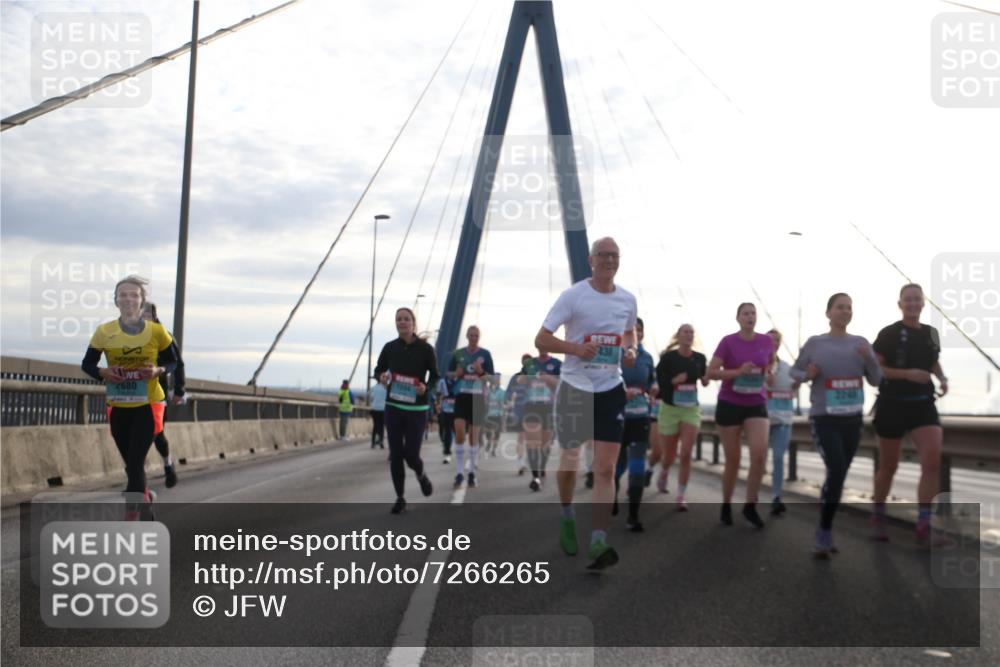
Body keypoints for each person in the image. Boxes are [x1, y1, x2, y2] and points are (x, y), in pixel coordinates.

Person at [535, 237, 637, 570]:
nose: (609, 260)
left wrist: (631, 349)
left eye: (614, 256)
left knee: (605, 468)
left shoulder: (627, 299)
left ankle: (598, 541)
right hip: (575, 387)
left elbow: (629, 332)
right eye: (603, 255)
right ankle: (567, 515)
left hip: (610, 387)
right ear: (591, 261)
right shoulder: (573, 296)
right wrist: (578, 349)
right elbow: (542, 339)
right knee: (570, 462)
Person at [791, 293, 882, 557]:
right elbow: (793, 372)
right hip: (824, 418)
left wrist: (870, 359)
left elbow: (876, 380)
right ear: (828, 312)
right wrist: (807, 375)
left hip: (852, 419)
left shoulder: (861, 343)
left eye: (849, 308)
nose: (845, 311)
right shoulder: (815, 343)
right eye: (840, 307)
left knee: (838, 474)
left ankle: (825, 524)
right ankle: (824, 530)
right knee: (838, 467)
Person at [82, 275, 176, 520]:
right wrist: (104, 372)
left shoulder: (157, 332)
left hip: (148, 404)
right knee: (130, 465)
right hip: (118, 405)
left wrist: (157, 370)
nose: (128, 299)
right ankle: (145, 500)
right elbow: (87, 364)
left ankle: (131, 519)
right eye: (122, 295)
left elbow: (173, 361)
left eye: (134, 294)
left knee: (135, 463)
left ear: (141, 301)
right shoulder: (105, 331)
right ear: (116, 301)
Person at [871, 284, 951, 547]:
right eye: (908, 300)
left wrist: (941, 378)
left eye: (917, 299)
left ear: (923, 303)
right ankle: (878, 516)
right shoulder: (888, 333)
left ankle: (924, 525)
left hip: (923, 404)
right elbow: (876, 370)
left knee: (932, 462)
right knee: (889, 466)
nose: (913, 303)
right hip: (892, 404)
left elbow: (932, 360)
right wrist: (906, 374)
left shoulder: (932, 333)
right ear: (900, 304)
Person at [707, 303, 775, 528]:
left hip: (756, 402)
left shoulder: (766, 341)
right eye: (746, 313)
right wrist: (737, 372)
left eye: (753, 313)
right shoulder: (728, 342)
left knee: (759, 454)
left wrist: (770, 374)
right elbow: (711, 372)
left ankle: (750, 506)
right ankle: (726, 504)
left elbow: (770, 364)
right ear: (737, 318)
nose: (750, 317)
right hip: (730, 403)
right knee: (733, 460)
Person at [373, 307, 438, 514]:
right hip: (393, 407)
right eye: (399, 319)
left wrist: (425, 387)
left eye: (406, 319)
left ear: (413, 323)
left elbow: (436, 377)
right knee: (396, 454)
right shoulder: (390, 347)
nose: (402, 322)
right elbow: (378, 370)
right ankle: (400, 497)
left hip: (417, 409)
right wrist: (381, 377)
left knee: (411, 454)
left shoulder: (426, 349)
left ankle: (421, 474)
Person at [655, 323, 709, 511]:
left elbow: (704, 379)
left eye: (692, 332)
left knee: (686, 453)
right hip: (670, 408)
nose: (689, 335)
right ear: (678, 336)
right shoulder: (668, 358)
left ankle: (680, 495)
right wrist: (673, 381)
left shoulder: (700, 358)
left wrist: (705, 380)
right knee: (669, 455)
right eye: (685, 332)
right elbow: (660, 383)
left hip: (690, 409)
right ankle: (664, 471)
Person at [614, 317, 656, 530]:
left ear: (642, 334)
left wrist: (654, 388)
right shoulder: (613, 356)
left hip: (640, 416)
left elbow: (651, 382)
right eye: (631, 330)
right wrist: (622, 393)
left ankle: (633, 515)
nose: (635, 334)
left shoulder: (647, 358)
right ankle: (611, 492)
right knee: (618, 464)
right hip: (617, 417)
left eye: (639, 330)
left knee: (638, 462)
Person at [140, 302, 186, 488]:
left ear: (153, 315)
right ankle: (136, 470)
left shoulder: (164, 336)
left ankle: (167, 464)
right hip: (136, 392)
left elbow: (178, 364)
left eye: (144, 315)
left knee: (156, 432)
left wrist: (179, 390)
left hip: (159, 392)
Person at [448, 325, 495, 488]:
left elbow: (491, 379)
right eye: (471, 335)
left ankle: (472, 474)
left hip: (478, 398)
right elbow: (447, 374)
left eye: (476, 336)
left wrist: (481, 371)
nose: (473, 338)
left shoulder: (485, 354)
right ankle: (459, 472)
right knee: (460, 433)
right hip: (462, 396)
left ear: (479, 337)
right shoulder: (458, 354)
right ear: (467, 336)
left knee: (473, 437)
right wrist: (456, 374)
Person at [766, 328, 798, 516]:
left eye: (777, 339)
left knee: (778, 458)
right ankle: (751, 497)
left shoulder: (787, 368)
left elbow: (791, 392)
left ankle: (776, 497)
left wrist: (796, 385)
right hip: (760, 420)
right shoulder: (756, 365)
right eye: (770, 340)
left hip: (783, 419)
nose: (774, 343)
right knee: (759, 459)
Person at [521, 350, 561, 491]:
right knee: (532, 443)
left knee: (545, 445)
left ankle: (542, 467)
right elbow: (520, 380)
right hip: (531, 406)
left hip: (549, 407)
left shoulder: (556, 364)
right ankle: (535, 477)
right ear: (537, 347)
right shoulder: (530, 363)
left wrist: (549, 379)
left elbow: (561, 384)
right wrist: (526, 378)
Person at [505, 358, 531, 475]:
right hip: (519, 409)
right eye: (525, 361)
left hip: (534, 409)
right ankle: (520, 463)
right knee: (521, 436)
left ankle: (529, 460)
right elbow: (508, 393)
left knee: (532, 438)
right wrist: (510, 400)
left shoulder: (535, 376)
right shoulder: (515, 377)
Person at [435, 372, 457, 464]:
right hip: (445, 410)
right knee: (446, 430)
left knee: (455, 432)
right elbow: (438, 395)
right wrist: (438, 405)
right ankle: (447, 452)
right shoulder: (442, 382)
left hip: (457, 411)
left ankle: (450, 447)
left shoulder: (459, 381)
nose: (451, 373)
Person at [484, 374, 505, 456]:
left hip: (498, 415)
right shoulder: (487, 390)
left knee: (497, 433)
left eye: (498, 380)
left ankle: (494, 449)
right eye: (495, 380)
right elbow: (484, 401)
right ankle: (489, 441)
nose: (496, 382)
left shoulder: (502, 392)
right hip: (488, 415)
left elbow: (503, 404)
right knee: (488, 432)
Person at [370, 378, 388, 449]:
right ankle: (381, 442)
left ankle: (373, 443)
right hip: (383, 409)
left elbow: (371, 396)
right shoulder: (386, 388)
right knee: (381, 426)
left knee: (375, 426)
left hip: (375, 409)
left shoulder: (374, 387)